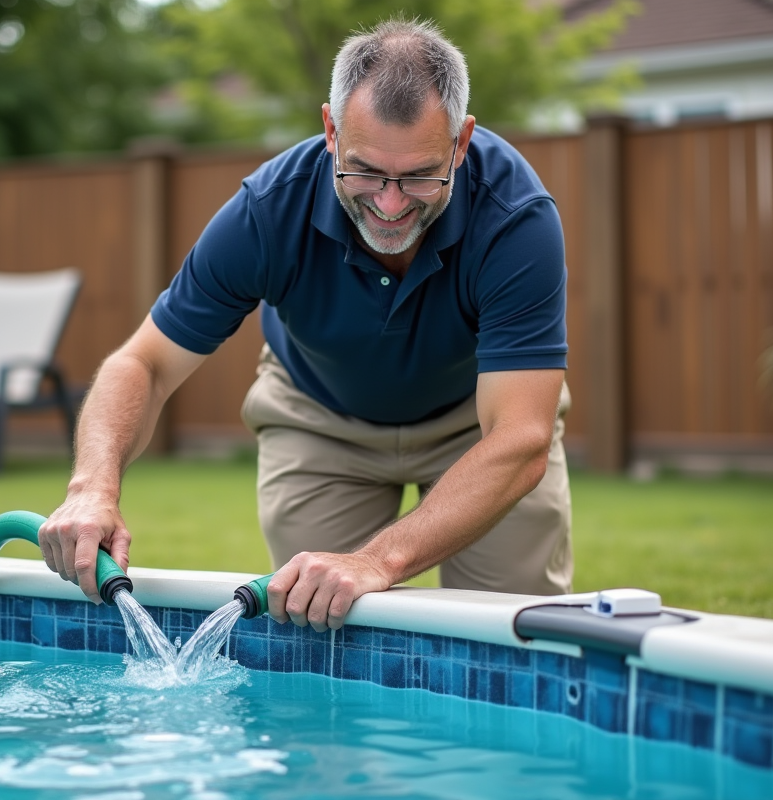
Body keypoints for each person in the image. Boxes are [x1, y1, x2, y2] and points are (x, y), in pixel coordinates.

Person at [39, 18, 572, 633]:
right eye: (366, 171)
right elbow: (144, 363)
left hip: (477, 427)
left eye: (420, 175)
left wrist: (377, 560)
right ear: (330, 131)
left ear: (460, 143)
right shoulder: (268, 212)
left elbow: (520, 437)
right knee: (316, 624)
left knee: (514, 633)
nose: (391, 203)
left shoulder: (516, 219)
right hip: (318, 419)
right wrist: (92, 487)